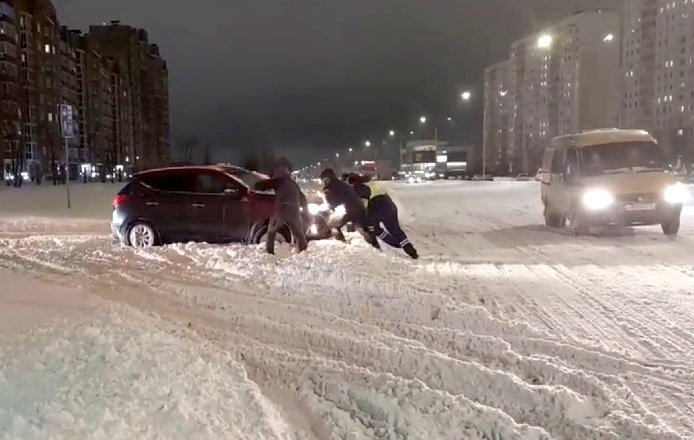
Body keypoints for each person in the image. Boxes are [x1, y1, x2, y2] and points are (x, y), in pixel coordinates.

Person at [348, 174, 419, 259]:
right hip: (390, 207)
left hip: (378, 208)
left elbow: (364, 204)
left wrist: (361, 216)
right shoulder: (371, 183)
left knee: (373, 228)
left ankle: (391, 245)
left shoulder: (359, 187)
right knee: (395, 230)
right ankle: (412, 252)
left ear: (353, 182)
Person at [254, 158, 308, 255]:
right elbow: (303, 199)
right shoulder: (293, 183)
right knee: (299, 235)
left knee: (271, 232)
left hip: (282, 211)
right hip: (295, 212)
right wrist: (305, 211)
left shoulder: (279, 181)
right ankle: (303, 253)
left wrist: (256, 184)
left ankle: (269, 252)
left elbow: (262, 185)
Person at [319, 168, 380, 249]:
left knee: (333, 225)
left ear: (327, 178)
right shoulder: (341, 184)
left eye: (324, 180)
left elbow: (332, 202)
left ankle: (343, 245)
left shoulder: (330, 187)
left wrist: (324, 198)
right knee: (362, 228)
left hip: (349, 210)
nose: (323, 182)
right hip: (358, 207)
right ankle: (376, 246)